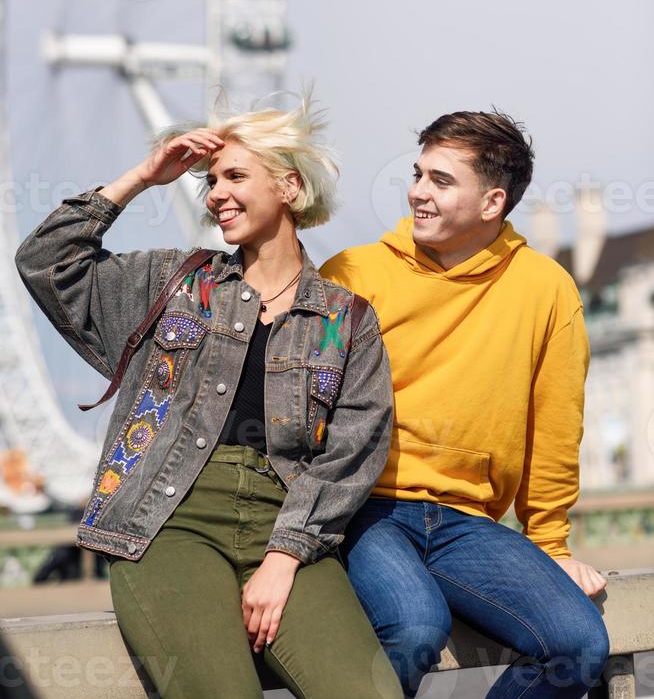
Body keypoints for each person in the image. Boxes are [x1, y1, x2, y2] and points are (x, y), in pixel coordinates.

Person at [15, 96, 403, 699]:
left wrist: (285, 556)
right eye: (210, 181)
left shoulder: (345, 318)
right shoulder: (171, 284)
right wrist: (144, 177)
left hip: (287, 527)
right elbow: (46, 260)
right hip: (167, 521)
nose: (216, 193)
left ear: (290, 187)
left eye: (236, 176)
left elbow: (354, 449)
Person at [320, 110, 610, 699]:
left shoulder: (547, 289)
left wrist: (551, 545)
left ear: (491, 202)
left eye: (442, 181)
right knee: (414, 626)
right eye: (419, 174)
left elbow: (555, 430)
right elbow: (307, 402)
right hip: (364, 509)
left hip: (468, 525)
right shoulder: (351, 274)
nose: (417, 193)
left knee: (579, 645)